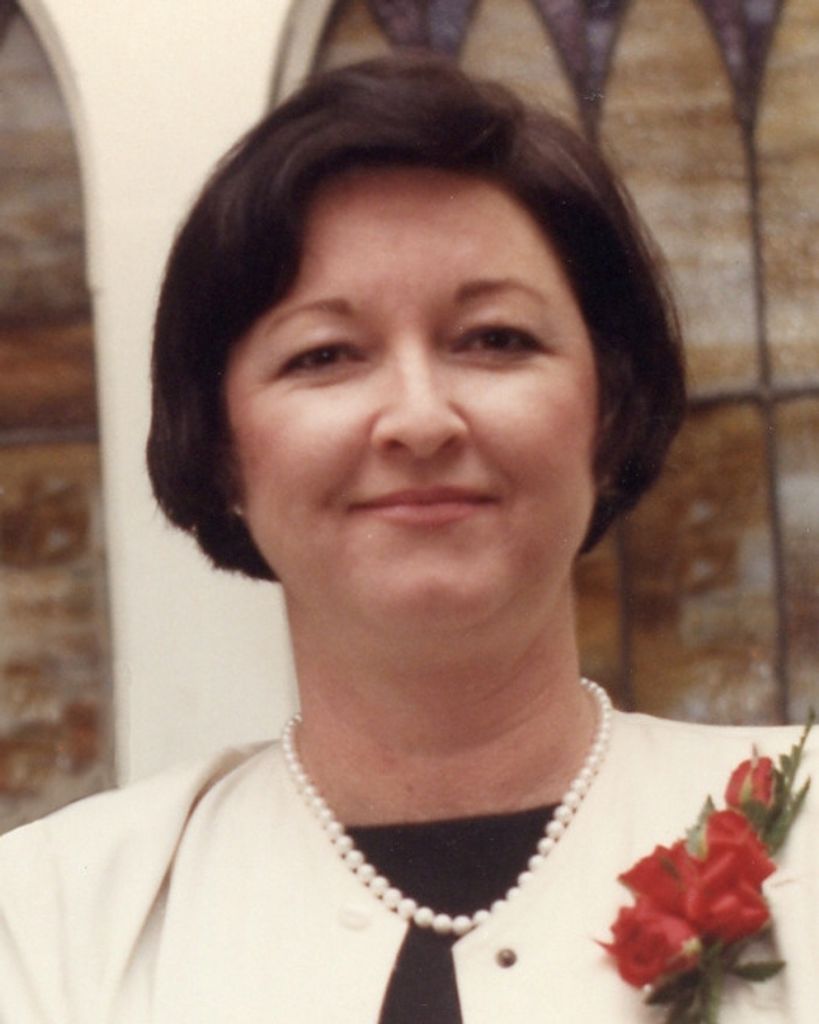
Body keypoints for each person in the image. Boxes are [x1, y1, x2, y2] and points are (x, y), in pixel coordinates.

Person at [0, 54, 815, 1024]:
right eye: (324, 355)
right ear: (220, 449)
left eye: (495, 339)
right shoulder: (48, 923)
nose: (420, 420)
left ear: (609, 410)